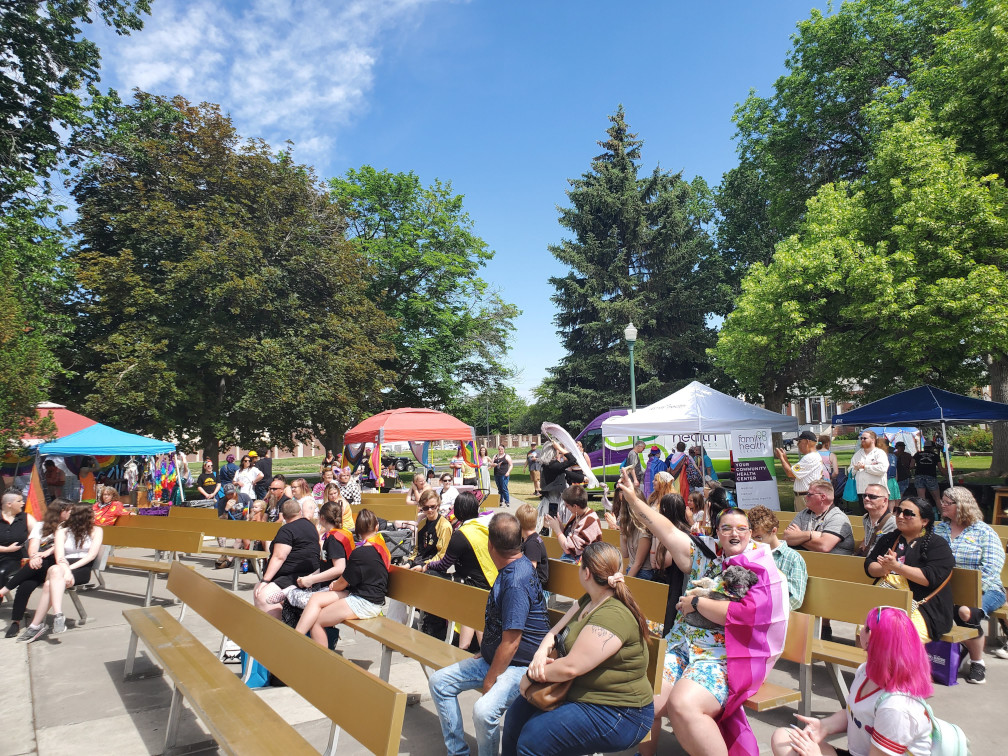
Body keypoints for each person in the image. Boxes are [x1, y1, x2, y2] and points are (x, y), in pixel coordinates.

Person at [622, 468, 788, 756]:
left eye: (741, 528)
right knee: (643, 694)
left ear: (750, 534)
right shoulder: (704, 554)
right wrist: (634, 500)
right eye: (726, 528)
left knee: (683, 705)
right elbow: (667, 529)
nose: (734, 533)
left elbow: (746, 614)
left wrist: (696, 603)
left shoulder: (760, 568)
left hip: (725, 655)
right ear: (717, 531)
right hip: (683, 644)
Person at [501, 541, 654, 756]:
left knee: (533, 739)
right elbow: (554, 632)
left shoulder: (613, 615)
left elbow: (571, 667)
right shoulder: (589, 600)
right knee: (515, 717)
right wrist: (539, 654)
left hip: (620, 711)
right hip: (578, 691)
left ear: (587, 573)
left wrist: (531, 675)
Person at [430, 513, 550, 756]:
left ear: (490, 545)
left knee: (483, 712)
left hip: (521, 665)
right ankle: (458, 752)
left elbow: (513, 642)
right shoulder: (514, 566)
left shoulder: (516, 580)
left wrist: (490, 678)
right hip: (497, 657)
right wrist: (485, 650)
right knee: (439, 682)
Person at [771, 606, 936, 756]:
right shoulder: (866, 671)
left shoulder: (896, 707)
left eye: (864, 627)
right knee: (783, 738)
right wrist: (824, 726)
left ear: (870, 637)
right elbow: (856, 713)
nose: (860, 631)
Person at [935, 486, 1007, 681]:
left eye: (947, 502)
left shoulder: (983, 532)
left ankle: (977, 663)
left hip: (987, 589)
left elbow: (991, 569)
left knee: (967, 612)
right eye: (942, 501)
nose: (942, 505)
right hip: (946, 588)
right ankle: (953, 652)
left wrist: (969, 592)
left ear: (962, 506)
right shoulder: (939, 529)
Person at [294, 509, 390, 646]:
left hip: (367, 602)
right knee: (316, 599)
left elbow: (343, 583)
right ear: (376, 527)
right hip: (363, 595)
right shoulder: (380, 545)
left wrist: (334, 585)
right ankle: (296, 637)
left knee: (316, 622)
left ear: (357, 531)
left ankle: (321, 661)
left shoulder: (360, 553)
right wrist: (337, 584)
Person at [865, 496, 954, 643]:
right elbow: (869, 564)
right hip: (886, 601)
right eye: (898, 511)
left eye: (908, 513)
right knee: (865, 628)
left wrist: (897, 567)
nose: (900, 516)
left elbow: (930, 578)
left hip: (923, 607)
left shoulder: (937, 545)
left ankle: (897, 666)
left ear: (924, 521)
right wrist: (883, 570)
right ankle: (870, 665)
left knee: (900, 636)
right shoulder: (889, 538)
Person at [421, 493, 499, 650]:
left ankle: (435, 629)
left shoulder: (462, 534)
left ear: (458, 511)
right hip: (493, 582)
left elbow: (444, 564)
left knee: (432, 578)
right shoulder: (488, 525)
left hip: (473, 584)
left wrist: (428, 565)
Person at [18, 502, 104, 642]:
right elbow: (59, 557)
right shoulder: (62, 531)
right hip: (62, 566)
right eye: (91, 514)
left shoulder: (97, 531)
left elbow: (91, 556)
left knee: (48, 585)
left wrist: (69, 570)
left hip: (81, 568)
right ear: (83, 516)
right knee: (55, 570)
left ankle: (36, 625)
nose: (94, 517)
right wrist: (66, 570)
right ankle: (57, 614)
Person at [1, 498, 72, 638]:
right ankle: (15, 622)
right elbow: (33, 546)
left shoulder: (68, 528)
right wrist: (34, 557)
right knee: (24, 587)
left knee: (43, 561)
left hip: (56, 566)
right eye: (68, 510)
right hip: (39, 566)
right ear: (60, 511)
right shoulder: (40, 526)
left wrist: (42, 555)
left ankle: (3, 590)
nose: (71, 513)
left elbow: (59, 548)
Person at [253, 498, 320, 619]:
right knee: (258, 588)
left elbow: (279, 557)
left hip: (295, 577)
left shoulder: (287, 530)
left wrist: (265, 581)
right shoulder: (310, 525)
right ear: (299, 511)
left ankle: (277, 631)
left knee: (262, 596)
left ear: (283, 515)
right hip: (307, 573)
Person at [747, 506, 808, 611]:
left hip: (773, 614)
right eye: (751, 538)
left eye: (758, 537)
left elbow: (795, 599)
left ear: (773, 531)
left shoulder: (792, 558)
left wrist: (763, 609)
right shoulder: (750, 553)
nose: (754, 542)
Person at [544, 485, 601, 563]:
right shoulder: (578, 515)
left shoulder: (590, 521)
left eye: (567, 506)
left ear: (575, 506)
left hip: (585, 564)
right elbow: (569, 538)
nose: (566, 508)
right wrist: (559, 525)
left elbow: (569, 549)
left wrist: (557, 530)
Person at [775, 430, 829, 510]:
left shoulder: (810, 457)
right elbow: (793, 473)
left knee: (806, 521)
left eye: (799, 441)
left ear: (807, 441)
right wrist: (785, 458)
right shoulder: (812, 456)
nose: (797, 444)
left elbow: (790, 474)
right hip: (805, 496)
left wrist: (781, 458)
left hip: (806, 497)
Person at [0, 492, 36, 590]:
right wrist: (6, 549)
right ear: (9, 504)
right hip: (3, 552)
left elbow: (38, 535)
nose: (23, 503)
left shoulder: (26, 518)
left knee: (1, 572)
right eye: (19, 501)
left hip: (15, 559)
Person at [410, 489, 453, 568]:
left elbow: (441, 554)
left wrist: (424, 566)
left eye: (433, 507)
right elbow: (417, 549)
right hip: (419, 562)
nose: (430, 510)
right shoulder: (422, 524)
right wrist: (409, 562)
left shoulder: (444, 526)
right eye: (426, 508)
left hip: (433, 566)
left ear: (438, 506)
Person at [619, 488, 653, 580]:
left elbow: (638, 564)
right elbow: (625, 554)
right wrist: (622, 531)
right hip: (631, 569)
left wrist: (626, 581)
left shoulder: (644, 530)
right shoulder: (630, 527)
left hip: (643, 573)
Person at [850, 430, 889, 507]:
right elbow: (850, 472)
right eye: (861, 438)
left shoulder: (879, 453)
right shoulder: (858, 454)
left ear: (873, 440)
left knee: (878, 514)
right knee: (865, 515)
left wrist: (865, 467)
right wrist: (855, 468)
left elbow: (882, 469)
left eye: (865, 438)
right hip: (862, 491)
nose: (862, 440)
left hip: (877, 491)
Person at [856, 483, 896, 557]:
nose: (866, 499)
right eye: (864, 495)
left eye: (872, 496)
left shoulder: (893, 523)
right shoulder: (866, 518)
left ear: (884, 500)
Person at [516, 503, 548, 589]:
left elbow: (530, 570)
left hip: (537, 587)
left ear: (519, 524)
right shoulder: (528, 539)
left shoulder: (532, 544)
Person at [911, 441, 944, 509]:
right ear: (932, 447)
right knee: (937, 498)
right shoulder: (935, 456)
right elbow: (941, 468)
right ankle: (943, 516)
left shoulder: (917, 454)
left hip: (919, 476)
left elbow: (911, 465)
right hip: (931, 476)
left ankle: (923, 515)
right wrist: (946, 474)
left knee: (921, 499)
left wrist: (919, 466)